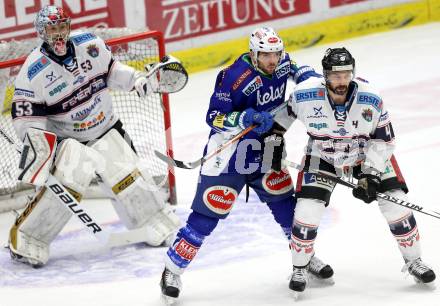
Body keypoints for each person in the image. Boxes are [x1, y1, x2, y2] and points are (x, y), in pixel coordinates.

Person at [160, 27, 334, 303]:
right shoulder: (232, 76)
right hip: (230, 155)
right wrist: (244, 118)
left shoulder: (282, 61)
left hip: (267, 150)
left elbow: (298, 71)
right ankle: (172, 271)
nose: (272, 61)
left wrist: (311, 81)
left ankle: (305, 259)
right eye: (266, 55)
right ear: (253, 53)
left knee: (287, 208)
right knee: (206, 217)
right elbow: (213, 117)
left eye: (275, 54)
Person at [9, 5, 181, 266]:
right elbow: (25, 119)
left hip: (106, 126)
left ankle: (152, 220)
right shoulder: (33, 72)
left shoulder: (91, 44)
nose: (58, 34)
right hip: (70, 142)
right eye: (52, 29)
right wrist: (39, 145)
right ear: (42, 32)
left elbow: (112, 72)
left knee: (128, 176)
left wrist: (137, 81)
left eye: (62, 26)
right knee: (67, 185)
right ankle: (27, 237)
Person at [274, 47, 436, 295]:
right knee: (307, 211)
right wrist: (273, 148)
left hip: (365, 154)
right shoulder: (304, 95)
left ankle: (414, 261)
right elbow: (276, 124)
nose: (342, 81)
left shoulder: (370, 98)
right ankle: (300, 267)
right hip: (322, 154)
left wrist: (370, 175)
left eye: (346, 74)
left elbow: (384, 141)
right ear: (326, 75)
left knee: (397, 207)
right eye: (336, 75)